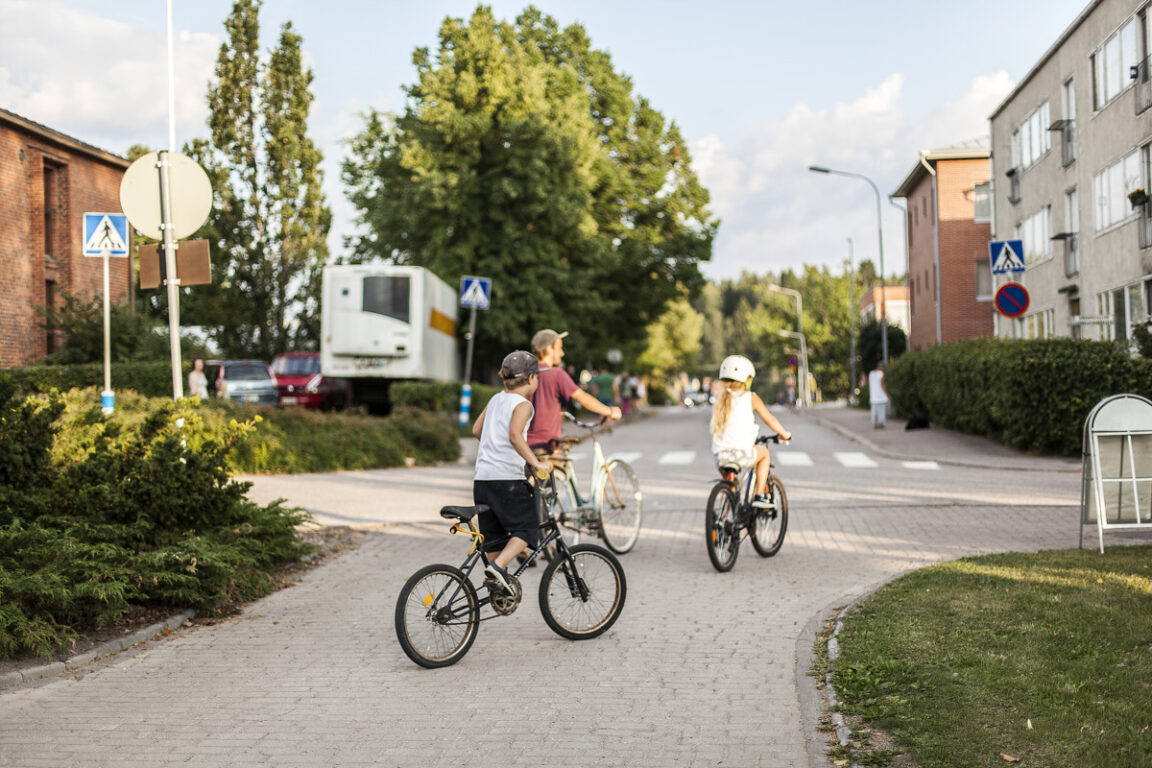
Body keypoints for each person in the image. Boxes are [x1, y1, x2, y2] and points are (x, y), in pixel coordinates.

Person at [471, 350, 552, 593]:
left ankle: (498, 587)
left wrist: (494, 448)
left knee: (494, 538)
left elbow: (477, 430)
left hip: (482, 480)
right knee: (527, 529)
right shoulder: (523, 405)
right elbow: (516, 436)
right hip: (506, 480)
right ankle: (498, 568)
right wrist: (536, 464)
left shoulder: (496, 399)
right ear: (530, 379)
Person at [710, 355, 791, 508]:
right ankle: (759, 495)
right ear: (747, 379)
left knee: (731, 487)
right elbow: (770, 420)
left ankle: (724, 520)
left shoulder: (720, 398)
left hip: (720, 455)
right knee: (764, 454)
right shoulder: (750, 397)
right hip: (742, 453)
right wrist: (785, 434)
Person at [526, 329, 621, 453]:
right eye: (559, 348)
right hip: (546, 445)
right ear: (549, 349)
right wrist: (609, 411)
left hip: (523, 446)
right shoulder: (556, 374)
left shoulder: (525, 374)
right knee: (556, 470)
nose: (562, 353)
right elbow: (582, 398)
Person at [868, 363, 889, 430]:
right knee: (881, 411)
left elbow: (870, 384)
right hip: (880, 396)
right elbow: (882, 385)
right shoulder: (881, 374)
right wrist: (887, 394)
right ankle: (880, 423)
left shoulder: (871, 373)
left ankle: (875, 423)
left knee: (874, 411)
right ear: (882, 368)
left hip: (873, 396)